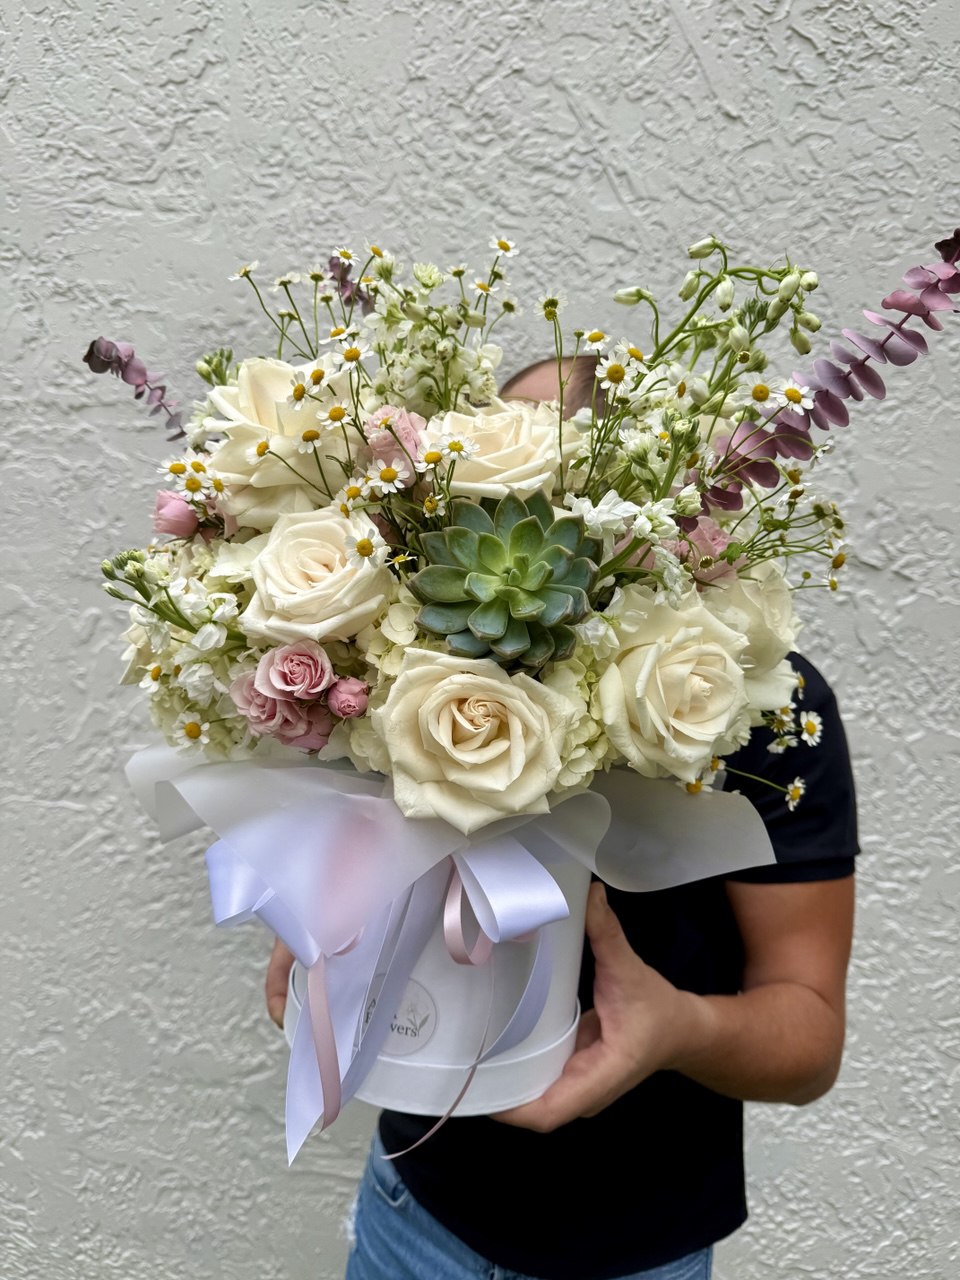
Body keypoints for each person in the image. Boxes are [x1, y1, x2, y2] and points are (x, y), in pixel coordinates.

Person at [265, 357, 859, 1280]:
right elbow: (358, 876)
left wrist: (676, 1029)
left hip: (645, 1248)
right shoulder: (391, 671)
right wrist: (322, 931)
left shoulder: (754, 707)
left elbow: (809, 1035)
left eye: (588, 482)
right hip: (418, 1215)